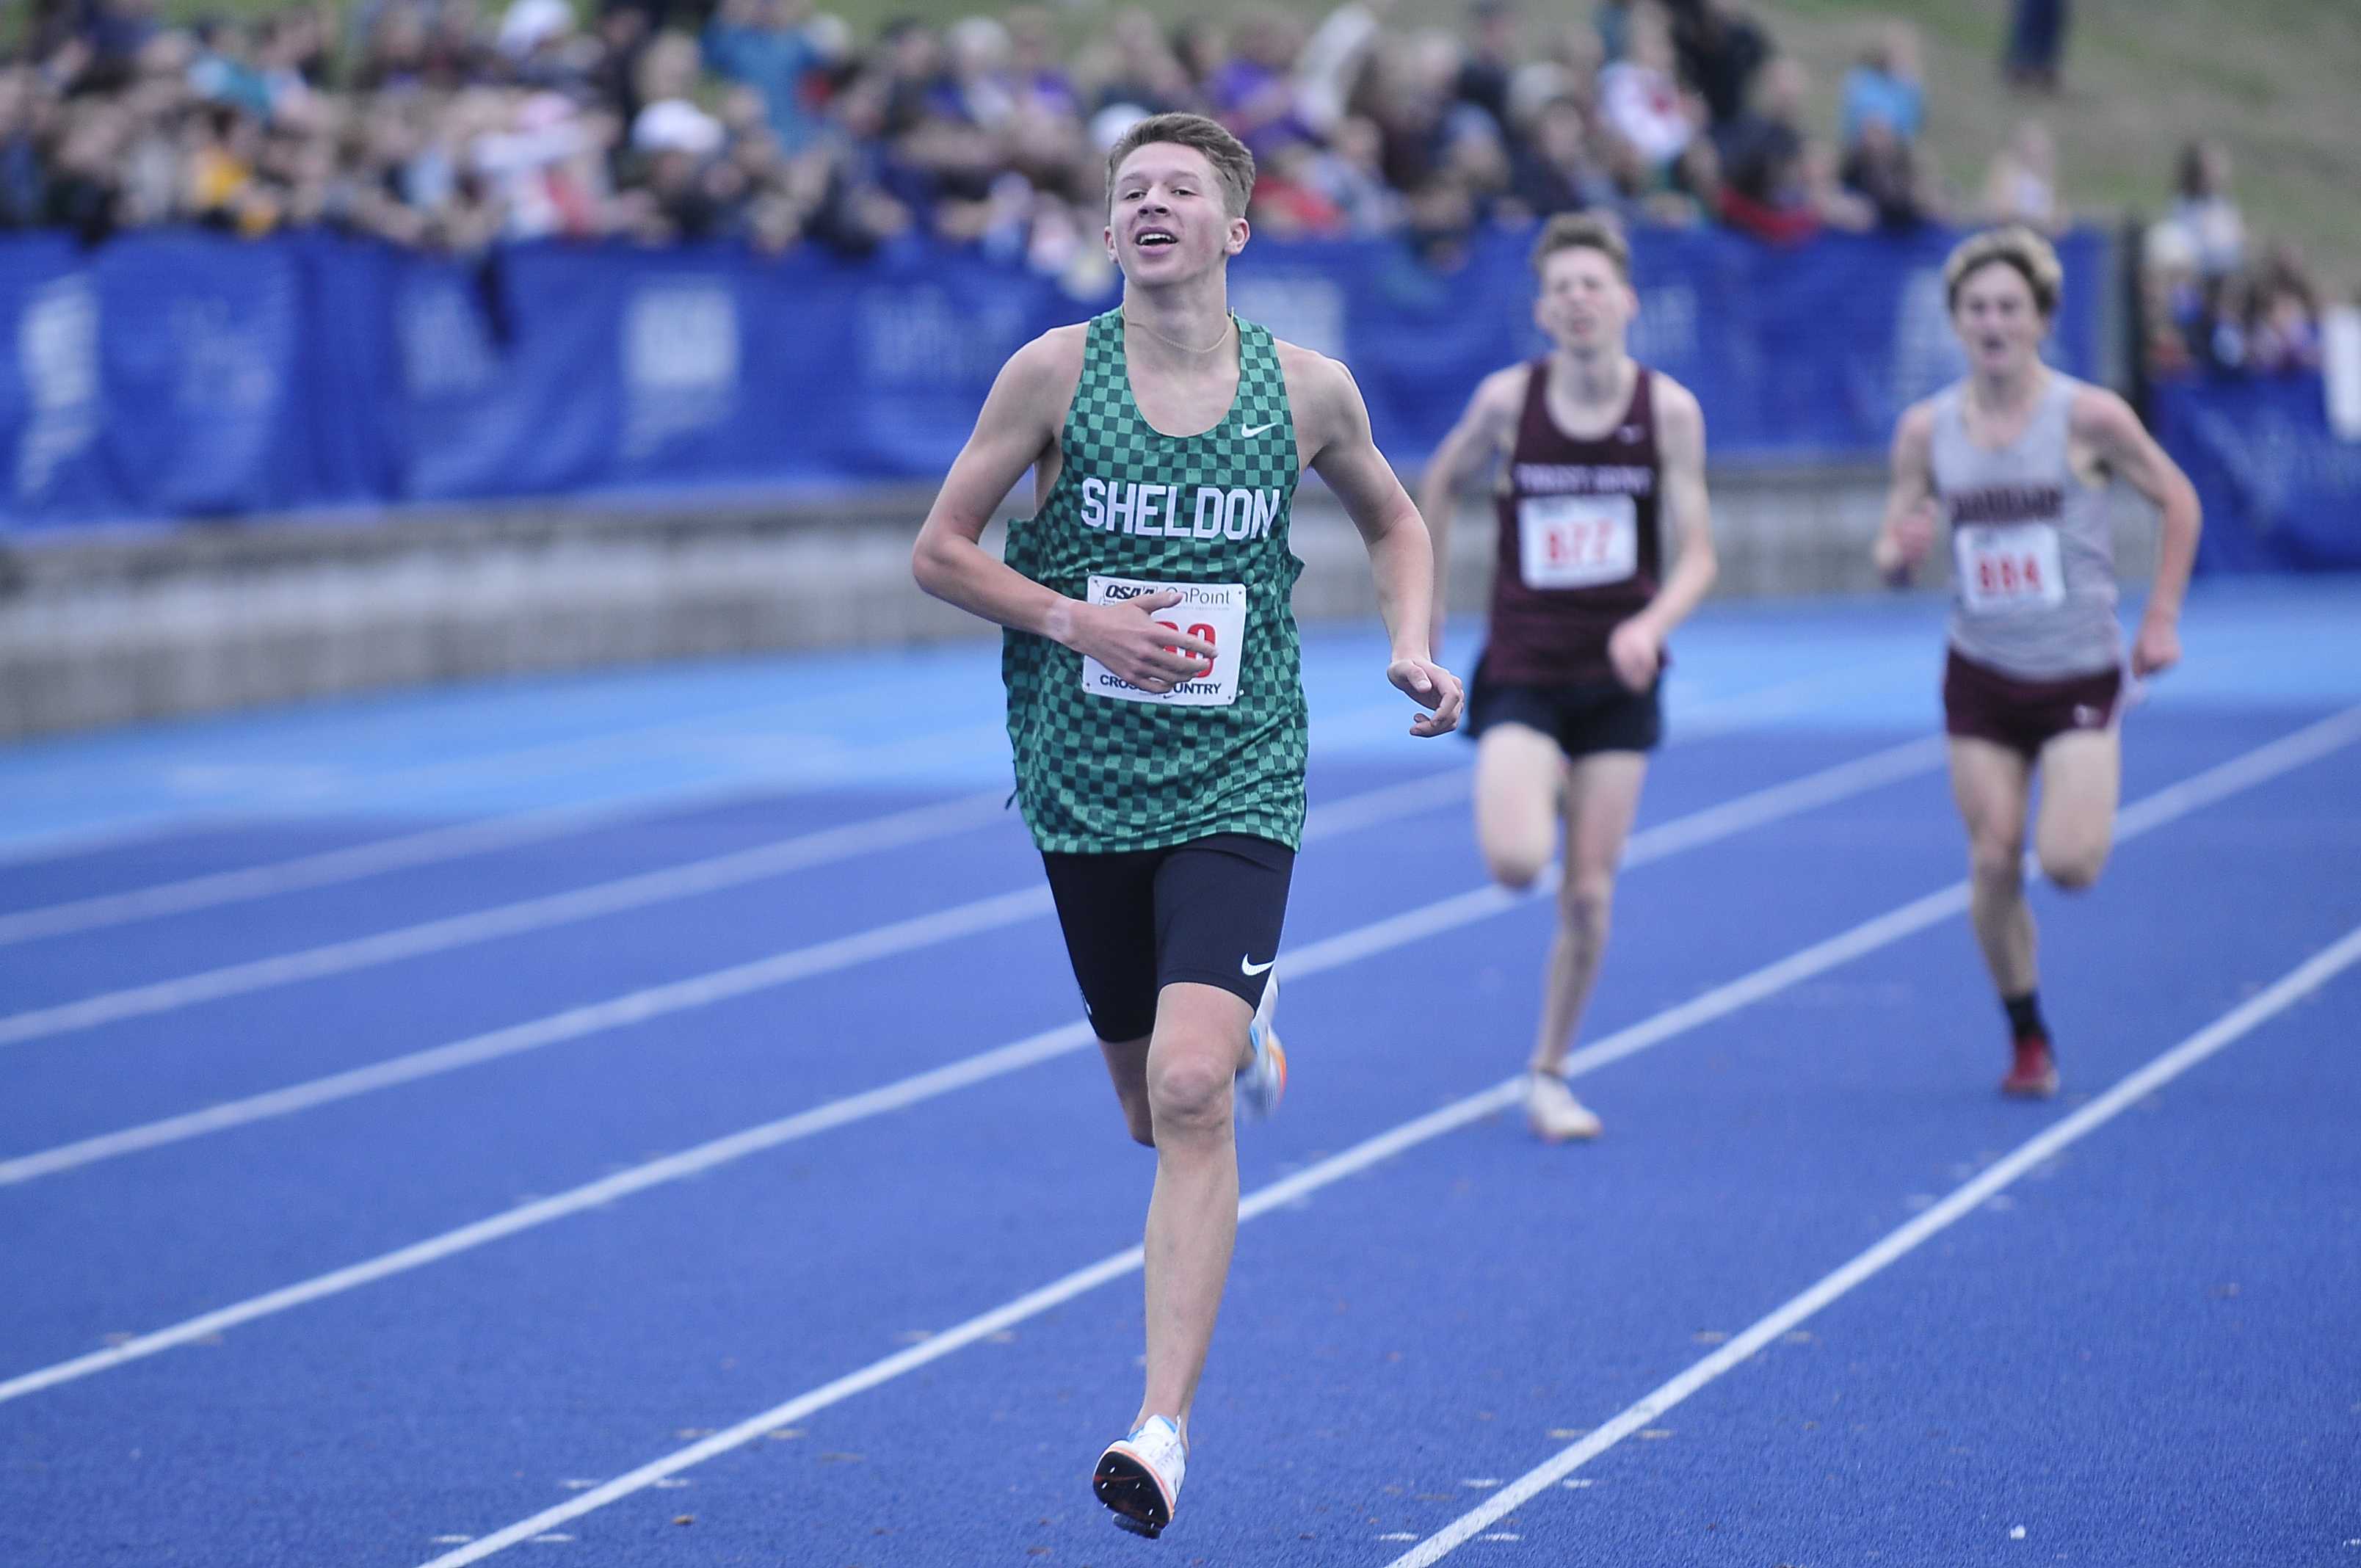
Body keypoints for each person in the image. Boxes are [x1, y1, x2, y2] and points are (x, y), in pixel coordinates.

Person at [909, 111, 1464, 1537]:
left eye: (1181, 190)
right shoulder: (1052, 372)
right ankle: (1249, 1033)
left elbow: (1398, 523)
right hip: (1084, 782)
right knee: (1143, 1103)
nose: (1152, 207)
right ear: (1108, 231)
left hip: (1239, 777)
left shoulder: (1307, 390)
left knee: (1190, 1092)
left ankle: (1159, 1428)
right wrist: (1070, 612)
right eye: (1130, 191)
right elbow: (939, 549)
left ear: (1237, 230)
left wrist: (1412, 641)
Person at [1874, 226, 2201, 1097]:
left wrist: (2160, 617)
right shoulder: (1926, 430)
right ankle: (2027, 1036)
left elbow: (2180, 499)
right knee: (1991, 859)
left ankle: (2031, 1019)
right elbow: (1893, 547)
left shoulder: (2087, 417)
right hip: (1980, 674)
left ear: (2043, 320)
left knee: (2068, 864)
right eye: (1977, 308)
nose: (1993, 322)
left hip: (2078, 675)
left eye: (2009, 307)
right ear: (1957, 322)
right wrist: (1901, 551)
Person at [1418, 211, 1718, 1142]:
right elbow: (1437, 486)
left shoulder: (1666, 410)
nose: (1580, 301)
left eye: (1596, 285)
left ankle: (1548, 1071)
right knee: (1515, 865)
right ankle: (1537, 773)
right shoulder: (1510, 402)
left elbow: (1700, 554)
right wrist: (1423, 626)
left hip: (1618, 677)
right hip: (1524, 665)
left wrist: (1651, 623)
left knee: (1587, 895)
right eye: (1563, 289)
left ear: (1626, 302)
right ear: (1543, 311)